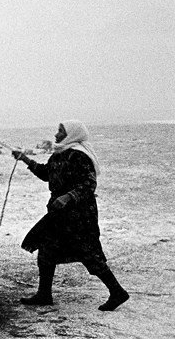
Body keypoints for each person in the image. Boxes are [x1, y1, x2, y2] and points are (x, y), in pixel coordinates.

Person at [12, 120, 129, 311]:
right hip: (59, 214)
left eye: (60, 132)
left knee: (89, 254)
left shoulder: (79, 156)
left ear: (72, 134)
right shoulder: (60, 154)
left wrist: (68, 197)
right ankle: (44, 294)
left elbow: (88, 185)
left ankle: (117, 292)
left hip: (79, 216)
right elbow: (46, 174)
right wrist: (24, 159)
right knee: (46, 249)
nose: (56, 135)